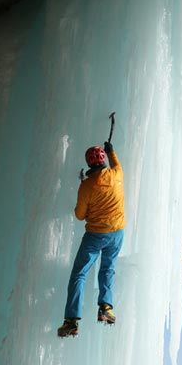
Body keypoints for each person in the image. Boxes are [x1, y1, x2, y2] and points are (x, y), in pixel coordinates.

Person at [57, 140, 125, 338]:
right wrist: (112, 151)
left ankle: (71, 320)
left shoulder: (86, 187)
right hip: (117, 233)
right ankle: (106, 307)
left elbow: (79, 215)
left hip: (96, 235)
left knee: (79, 274)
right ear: (104, 160)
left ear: (89, 164)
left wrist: (84, 195)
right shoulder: (117, 175)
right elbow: (117, 164)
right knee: (107, 269)